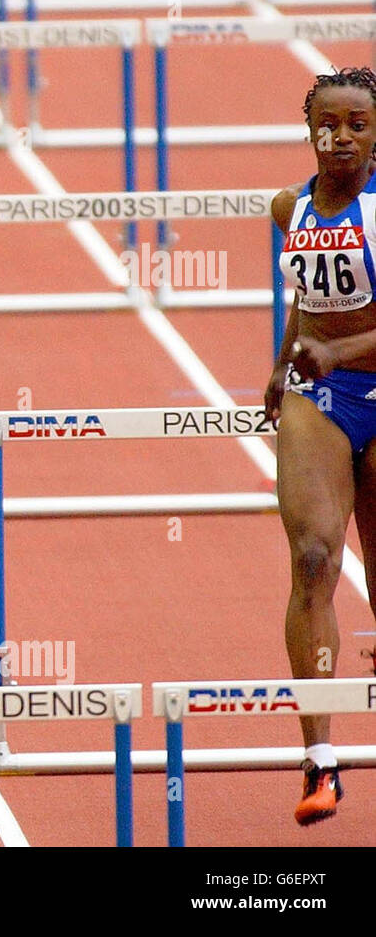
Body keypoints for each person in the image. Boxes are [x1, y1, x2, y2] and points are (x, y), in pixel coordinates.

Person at [264, 66, 376, 826]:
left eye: (357, 124)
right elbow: (302, 297)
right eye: (326, 123)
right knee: (313, 559)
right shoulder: (289, 207)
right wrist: (286, 361)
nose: (339, 135)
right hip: (321, 399)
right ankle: (321, 759)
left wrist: (339, 353)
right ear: (309, 129)